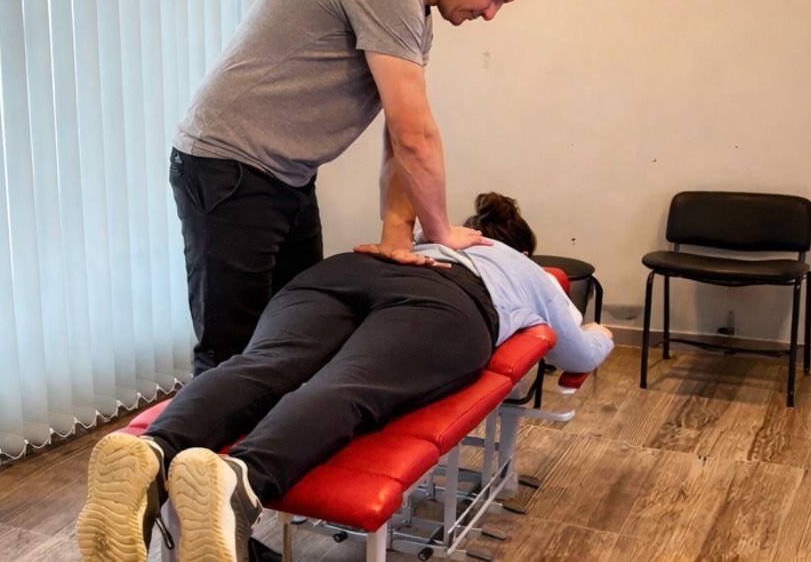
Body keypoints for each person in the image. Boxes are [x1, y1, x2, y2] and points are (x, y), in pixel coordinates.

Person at [76, 193, 614, 562]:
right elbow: (579, 353)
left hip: (341, 272)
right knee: (346, 386)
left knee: (262, 364)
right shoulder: (528, 271)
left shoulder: (427, 236)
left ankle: (154, 451)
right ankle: (240, 480)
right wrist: (603, 333)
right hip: (445, 303)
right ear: (522, 249)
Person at [170, 0, 544, 374]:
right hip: (227, 167)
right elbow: (415, 136)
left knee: (300, 332)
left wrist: (397, 235)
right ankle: (199, 424)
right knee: (232, 352)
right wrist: (441, 232)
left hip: (286, 177)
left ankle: (274, 424)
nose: (491, 13)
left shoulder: (413, 9)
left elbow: (399, 132)